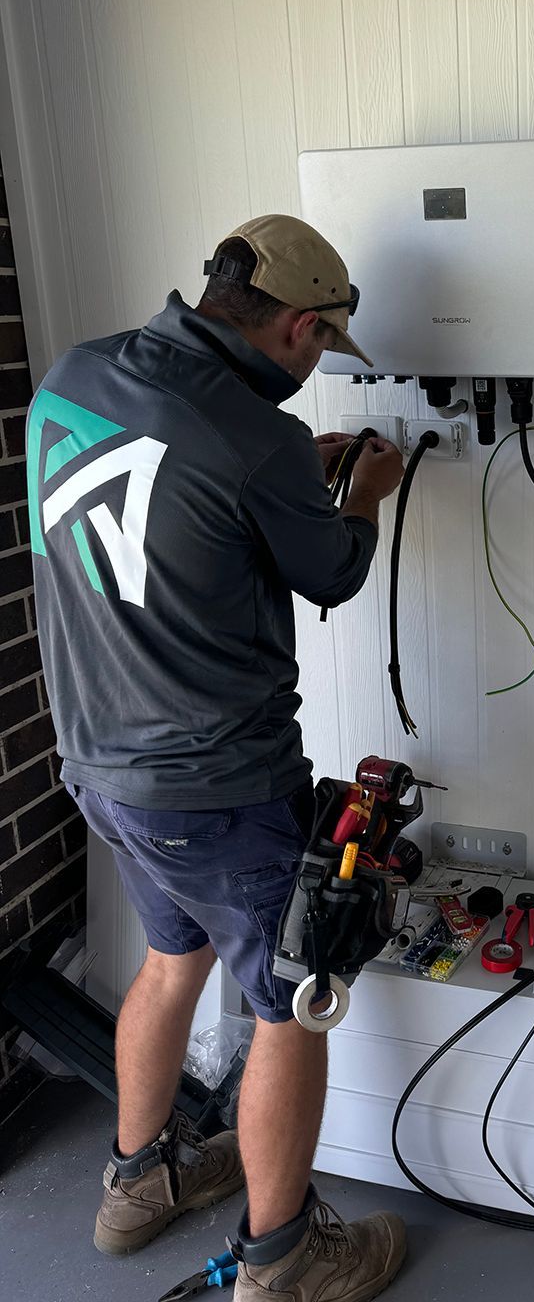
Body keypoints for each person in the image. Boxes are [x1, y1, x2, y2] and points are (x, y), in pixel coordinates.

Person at [28, 215, 408, 1302]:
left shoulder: (75, 377)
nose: (317, 366)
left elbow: (167, 514)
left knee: (168, 964)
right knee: (295, 1001)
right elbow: (330, 574)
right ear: (297, 325)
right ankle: (286, 1261)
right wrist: (360, 495)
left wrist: (291, 472)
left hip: (99, 773)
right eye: (322, 348)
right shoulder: (260, 441)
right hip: (219, 789)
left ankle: (134, 1186)